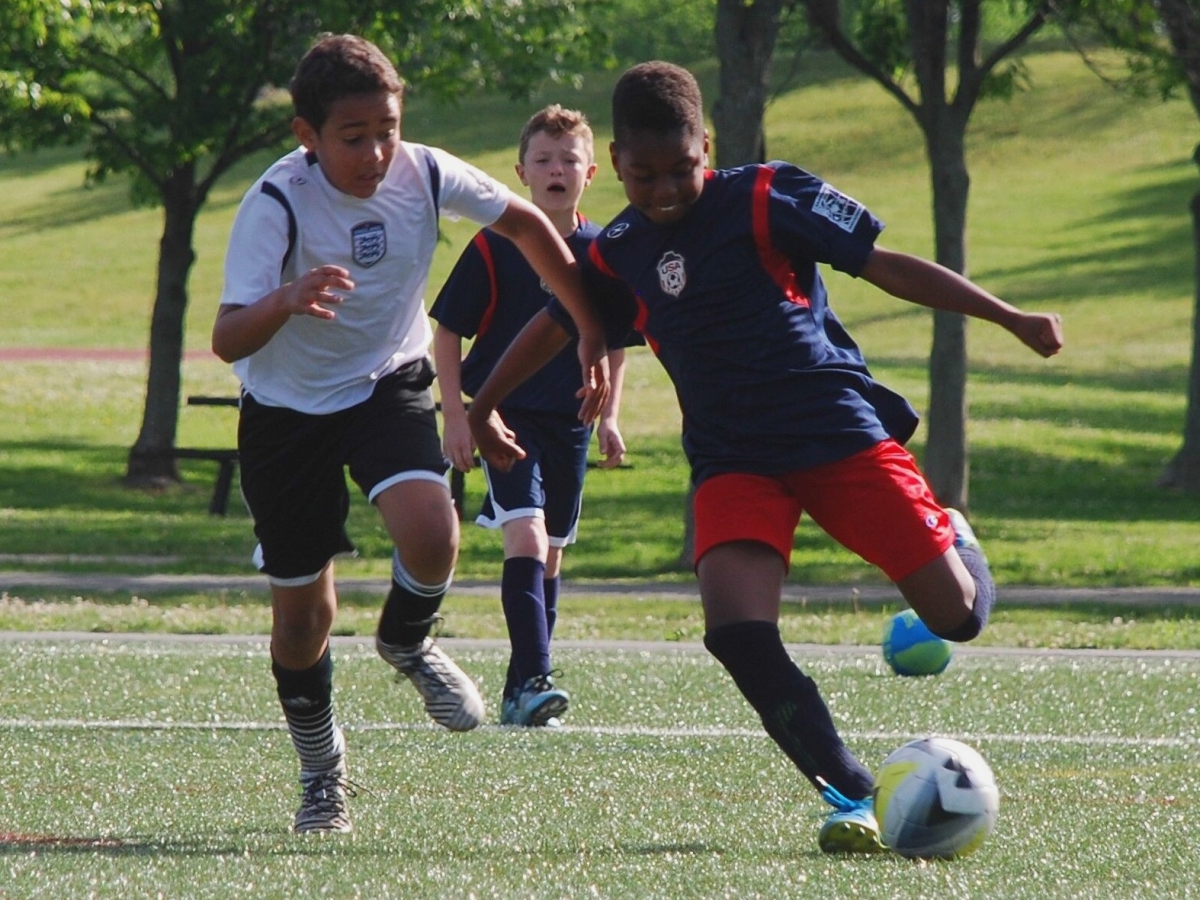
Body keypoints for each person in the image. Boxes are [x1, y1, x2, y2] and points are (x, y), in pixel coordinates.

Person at [467, 61, 1064, 854]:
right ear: (616, 164)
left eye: (682, 169)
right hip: (732, 459)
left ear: (705, 146)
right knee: (735, 630)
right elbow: (558, 315)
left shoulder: (765, 195)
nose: (665, 190)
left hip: (835, 433)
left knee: (957, 618)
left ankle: (952, 530)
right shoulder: (618, 249)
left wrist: (1009, 316)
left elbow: (886, 265)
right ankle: (852, 791)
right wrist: (481, 404)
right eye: (644, 176)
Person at [210, 34, 607, 835]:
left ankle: (406, 642)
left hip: (385, 384)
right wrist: (284, 301)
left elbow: (528, 225)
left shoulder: (424, 172)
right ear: (306, 136)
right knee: (302, 621)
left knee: (434, 534)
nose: (376, 151)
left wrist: (589, 324)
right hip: (285, 413)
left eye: (387, 128)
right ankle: (323, 774)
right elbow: (226, 338)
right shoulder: (277, 202)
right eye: (353, 137)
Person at [431, 105, 633, 728]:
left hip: (569, 424)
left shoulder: (602, 253)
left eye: (568, 159)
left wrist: (609, 418)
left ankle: (523, 689)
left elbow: (615, 341)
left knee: (552, 555)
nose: (556, 170)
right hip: (505, 419)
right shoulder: (494, 246)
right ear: (521, 172)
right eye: (543, 160)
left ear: (591, 172)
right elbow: (447, 335)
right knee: (528, 535)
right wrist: (459, 417)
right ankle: (538, 676)